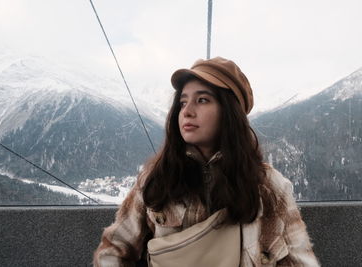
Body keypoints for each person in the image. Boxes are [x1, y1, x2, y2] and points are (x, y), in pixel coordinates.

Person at [94, 57, 320, 266]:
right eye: (182, 103)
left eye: (202, 100)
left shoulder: (269, 186)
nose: (187, 112)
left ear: (230, 113)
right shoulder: (155, 179)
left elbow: (301, 261)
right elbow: (114, 250)